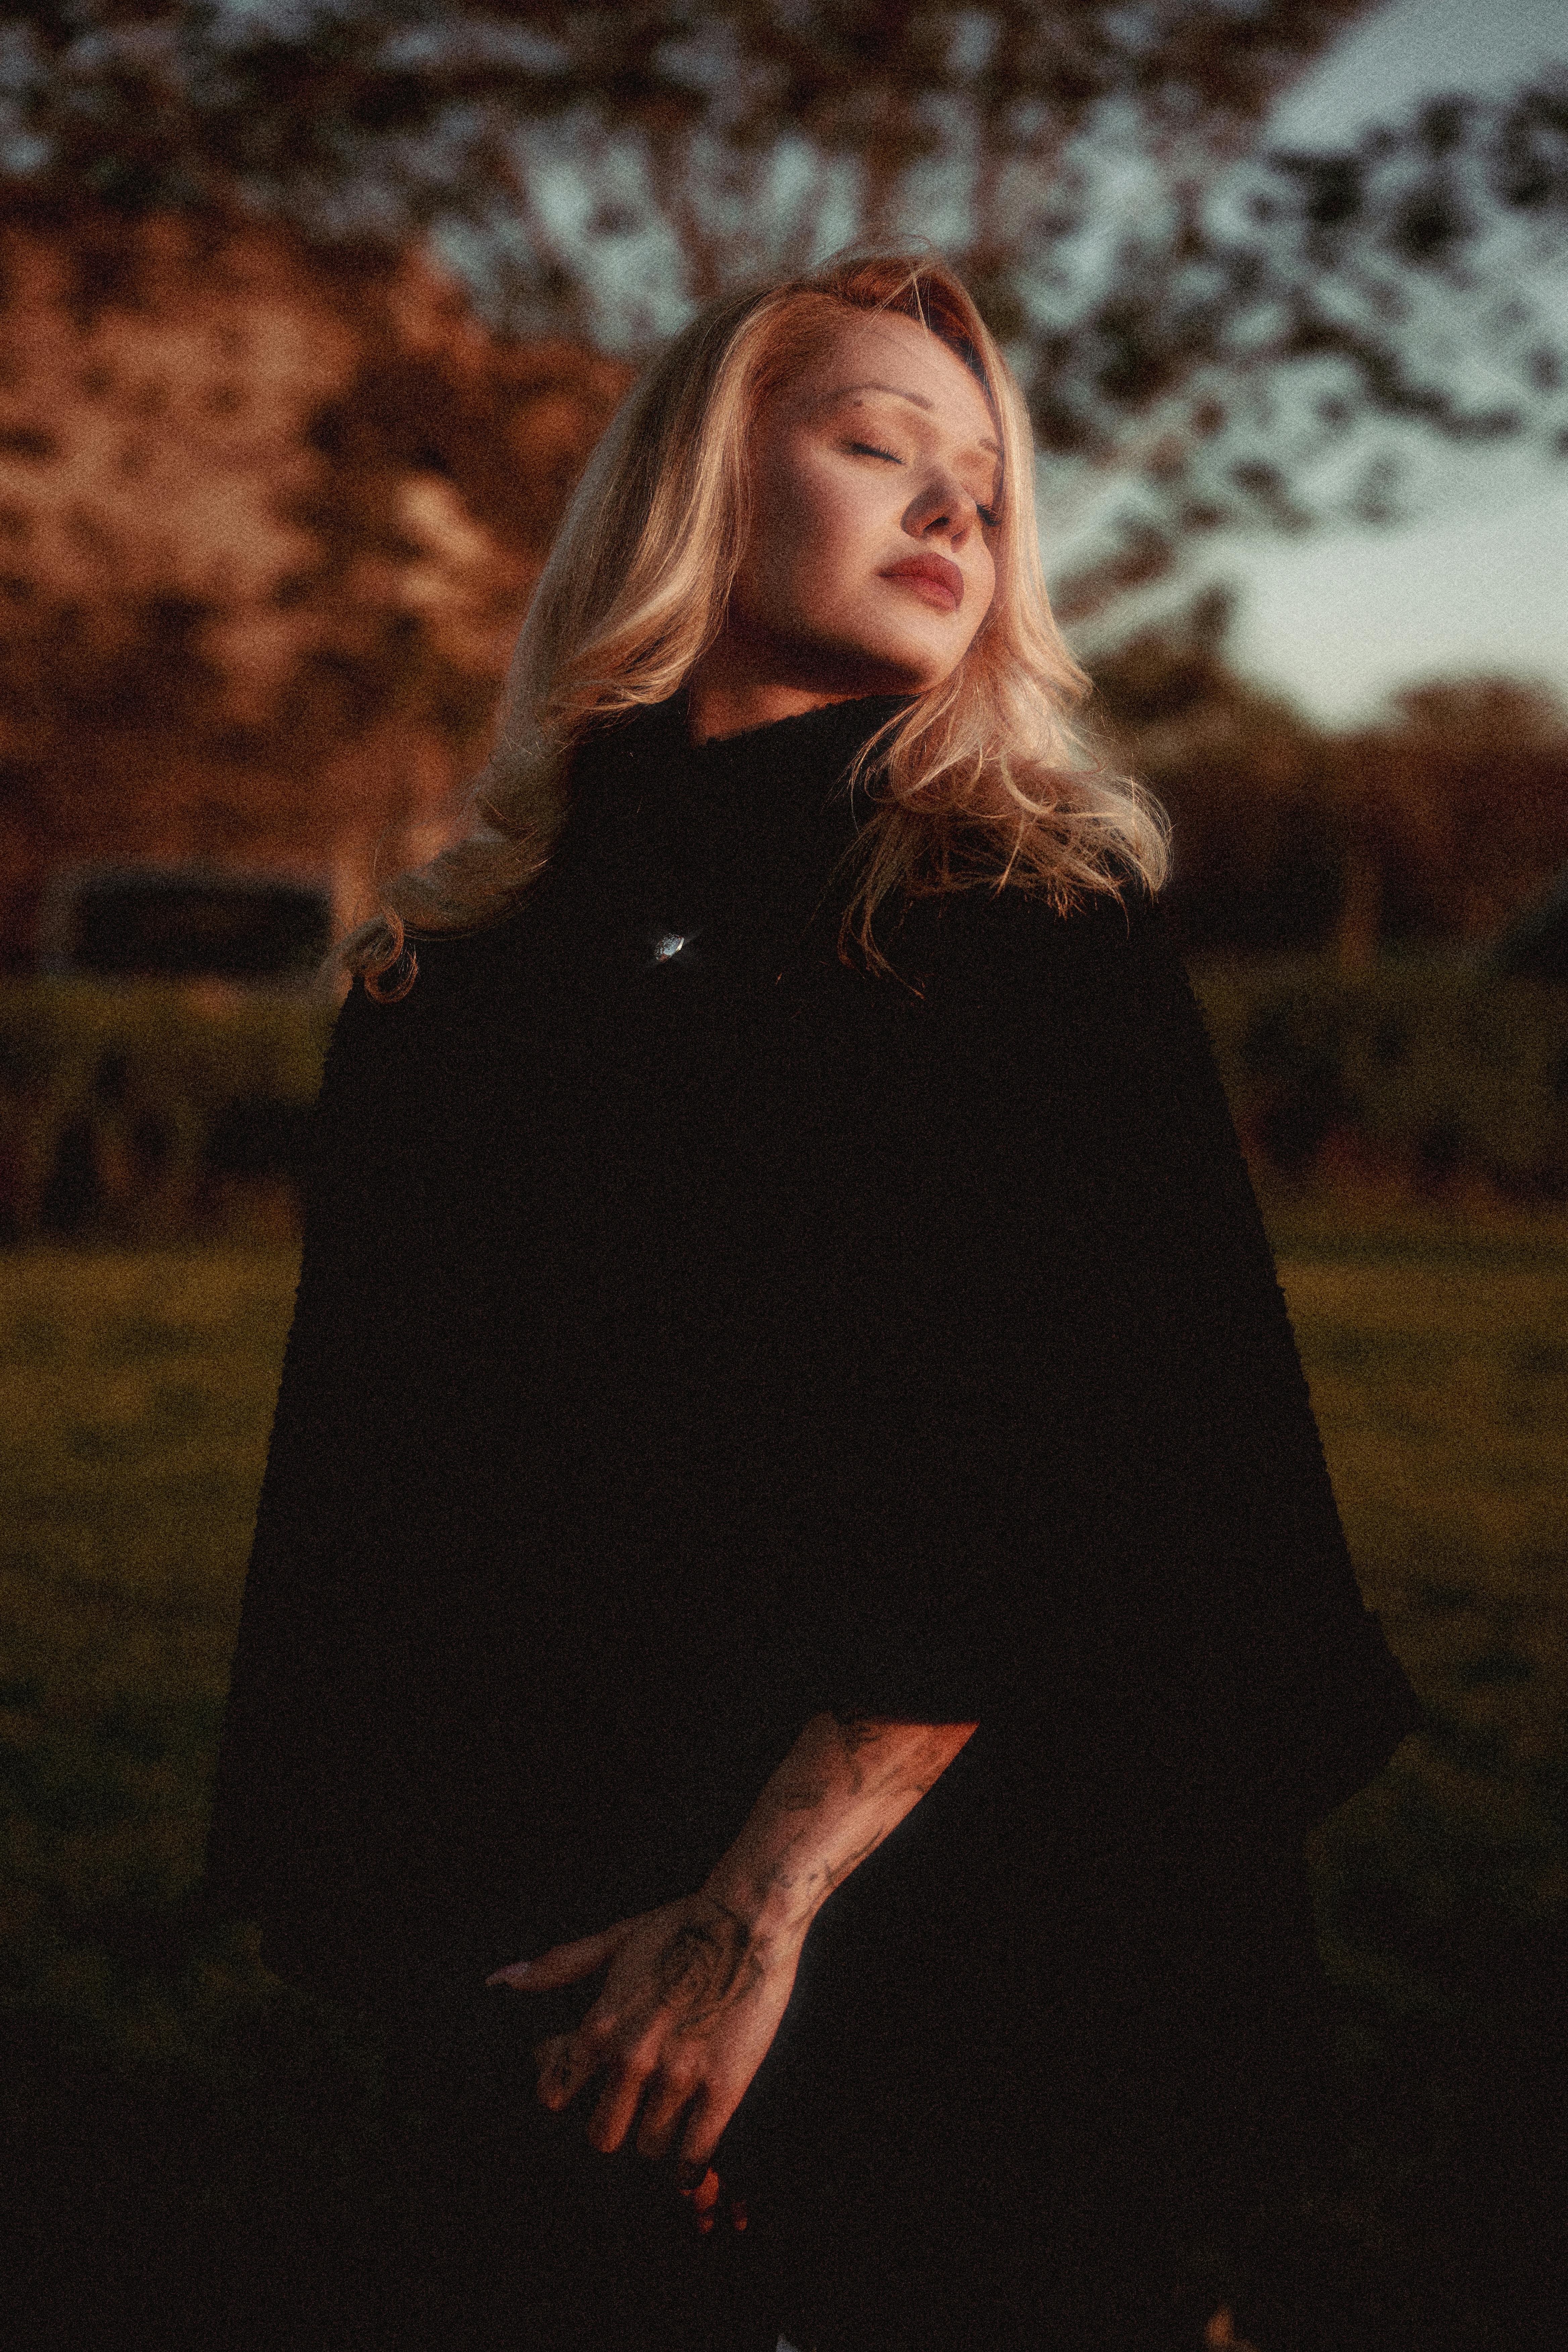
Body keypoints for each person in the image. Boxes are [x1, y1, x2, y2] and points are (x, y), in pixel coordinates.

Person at [199, 249, 1425, 2352]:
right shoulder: (454, 981)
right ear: (695, 486)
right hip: (547, 1939)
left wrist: (753, 1911)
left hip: (976, 1929)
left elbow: (1112, 1471)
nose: (959, 512)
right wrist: (463, 1934)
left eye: (989, 486)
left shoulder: (1025, 930)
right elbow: (386, 1514)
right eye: (881, 449)